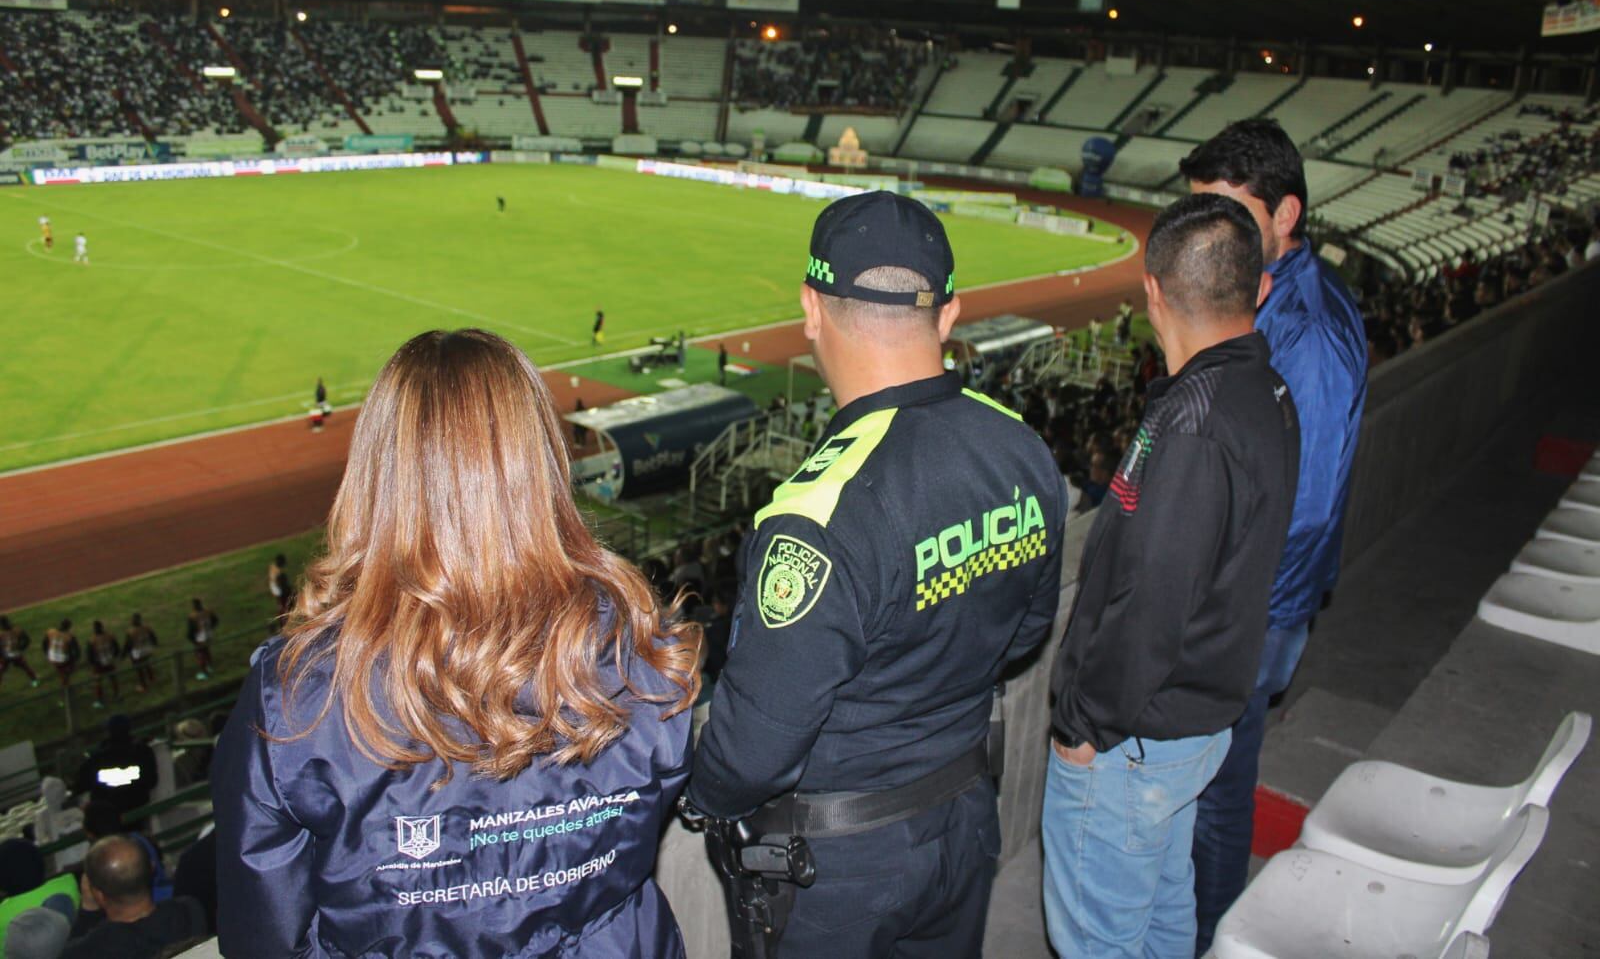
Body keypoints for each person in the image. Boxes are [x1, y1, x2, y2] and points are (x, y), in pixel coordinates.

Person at [212, 329, 700, 958]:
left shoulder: (299, 697)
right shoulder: (640, 652)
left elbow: (263, 937)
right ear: (541, 462)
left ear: (379, 471)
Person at [684, 191, 1068, 957]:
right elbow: (1024, 634)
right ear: (948, 315)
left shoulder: (818, 512)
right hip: (963, 817)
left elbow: (754, 746)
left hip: (837, 870)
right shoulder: (1022, 450)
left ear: (811, 309)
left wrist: (702, 796)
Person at [1044, 194, 1300, 957]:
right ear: (1257, 288)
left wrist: (1083, 726)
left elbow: (1152, 600)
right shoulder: (1268, 390)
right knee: (1161, 920)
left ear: (1151, 290)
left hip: (1138, 738)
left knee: (1099, 939)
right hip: (1192, 724)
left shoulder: (1194, 421)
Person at [1179, 118, 1367, 953]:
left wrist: (1230, 610)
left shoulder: (1310, 331)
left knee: (1216, 800)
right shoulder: (1273, 297)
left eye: (1225, 214)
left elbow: (1312, 504)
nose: (1204, 237)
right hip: (1247, 602)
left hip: (1252, 611)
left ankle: (1210, 940)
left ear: (1285, 214)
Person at [61, 836, 205, 959]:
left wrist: (88, 911)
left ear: (98, 895)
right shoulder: (190, 910)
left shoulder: (90, 950)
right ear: (152, 868)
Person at [75, 717, 158, 817]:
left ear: (108, 732)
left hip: (107, 816)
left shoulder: (97, 759)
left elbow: (82, 785)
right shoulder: (143, 752)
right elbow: (152, 780)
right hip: (138, 809)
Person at [87, 622, 121, 710]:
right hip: (109, 661)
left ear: (94, 629)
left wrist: (93, 664)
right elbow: (117, 649)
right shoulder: (110, 636)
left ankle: (99, 701)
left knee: (98, 682)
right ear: (102, 627)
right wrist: (113, 656)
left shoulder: (92, 640)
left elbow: (89, 655)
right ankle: (117, 696)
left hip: (99, 664)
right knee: (113, 679)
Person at [0, 617, 40, 689]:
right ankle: (34, 680)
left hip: (15, 655)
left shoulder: (16, 630)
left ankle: (34, 680)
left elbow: (27, 640)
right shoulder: (11, 632)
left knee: (25, 667)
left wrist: (21, 647)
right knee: (25, 667)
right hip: (8, 655)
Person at [121, 617, 157, 694]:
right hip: (146, 649)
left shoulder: (131, 631)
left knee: (139, 668)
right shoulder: (146, 628)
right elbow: (153, 637)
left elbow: (128, 645)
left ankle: (143, 686)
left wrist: (123, 655)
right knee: (147, 663)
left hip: (138, 651)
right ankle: (152, 679)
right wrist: (154, 644)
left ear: (133, 622)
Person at [183, 600, 216, 681]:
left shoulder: (193, 616)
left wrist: (192, 639)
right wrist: (210, 628)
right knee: (207, 651)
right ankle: (210, 667)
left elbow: (191, 631)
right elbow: (215, 621)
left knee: (200, 655)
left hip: (199, 638)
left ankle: (204, 673)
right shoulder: (207, 612)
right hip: (208, 635)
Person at [42, 621, 78, 695]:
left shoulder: (51, 632)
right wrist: (73, 661)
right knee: (66, 673)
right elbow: (75, 651)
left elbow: (44, 644)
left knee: (63, 672)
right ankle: (65, 691)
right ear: (68, 628)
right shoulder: (69, 636)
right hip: (62, 660)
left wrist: (47, 654)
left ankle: (66, 685)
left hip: (52, 657)